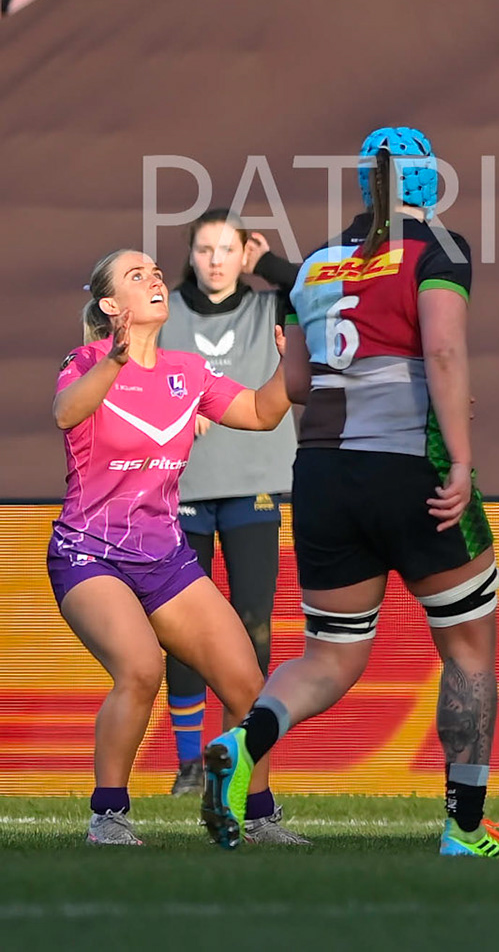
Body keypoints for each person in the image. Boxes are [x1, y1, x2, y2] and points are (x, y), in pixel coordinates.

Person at [200, 127, 499, 859]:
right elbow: (443, 348)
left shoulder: (313, 265)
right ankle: (464, 828)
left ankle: (244, 741)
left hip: (321, 477)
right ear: (427, 184)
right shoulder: (436, 249)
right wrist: (463, 459)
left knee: (330, 657)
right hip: (409, 467)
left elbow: (293, 387)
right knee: (471, 651)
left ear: (362, 185)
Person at [51, 249, 292, 846]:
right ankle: (108, 816)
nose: (155, 278)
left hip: (165, 557)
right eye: (137, 276)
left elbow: (263, 413)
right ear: (111, 305)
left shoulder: (190, 371)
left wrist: (296, 368)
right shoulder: (84, 361)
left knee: (248, 688)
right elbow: (65, 413)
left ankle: (249, 815)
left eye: (156, 271)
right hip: (90, 553)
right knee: (140, 668)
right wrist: (113, 358)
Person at [156, 210, 298, 813]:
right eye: (205, 249)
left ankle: (237, 748)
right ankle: (189, 761)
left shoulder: (269, 307)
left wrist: (268, 264)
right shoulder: (165, 315)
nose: (216, 260)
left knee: (252, 621)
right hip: (179, 487)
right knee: (184, 629)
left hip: (255, 482)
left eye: (228, 249)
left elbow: (317, 288)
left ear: (244, 255)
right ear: (190, 255)